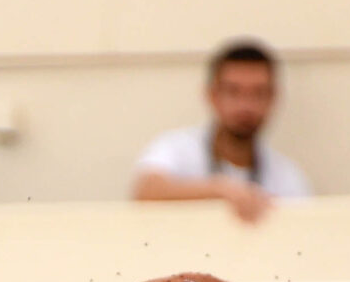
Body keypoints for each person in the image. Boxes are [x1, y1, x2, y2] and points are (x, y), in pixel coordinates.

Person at [131, 40, 311, 224]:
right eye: (233, 91)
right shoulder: (176, 147)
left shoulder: (287, 176)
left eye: (258, 93)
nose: (246, 105)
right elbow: (145, 193)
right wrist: (220, 190)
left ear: (273, 98)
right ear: (212, 95)